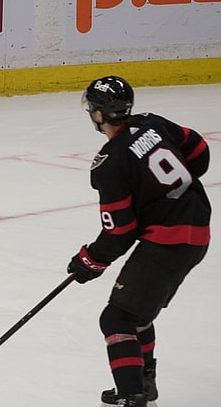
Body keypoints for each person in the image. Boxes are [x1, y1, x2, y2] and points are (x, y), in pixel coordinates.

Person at [66, 76, 211, 407]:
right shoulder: (153, 124)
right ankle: (142, 385)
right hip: (197, 230)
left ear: (99, 114)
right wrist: (171, 197)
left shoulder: (109, 163)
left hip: (167, 244)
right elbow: (199, 151)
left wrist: (90, 259)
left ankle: (133, 397)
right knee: (138, 313)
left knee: (117, 319)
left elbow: (120, 230)